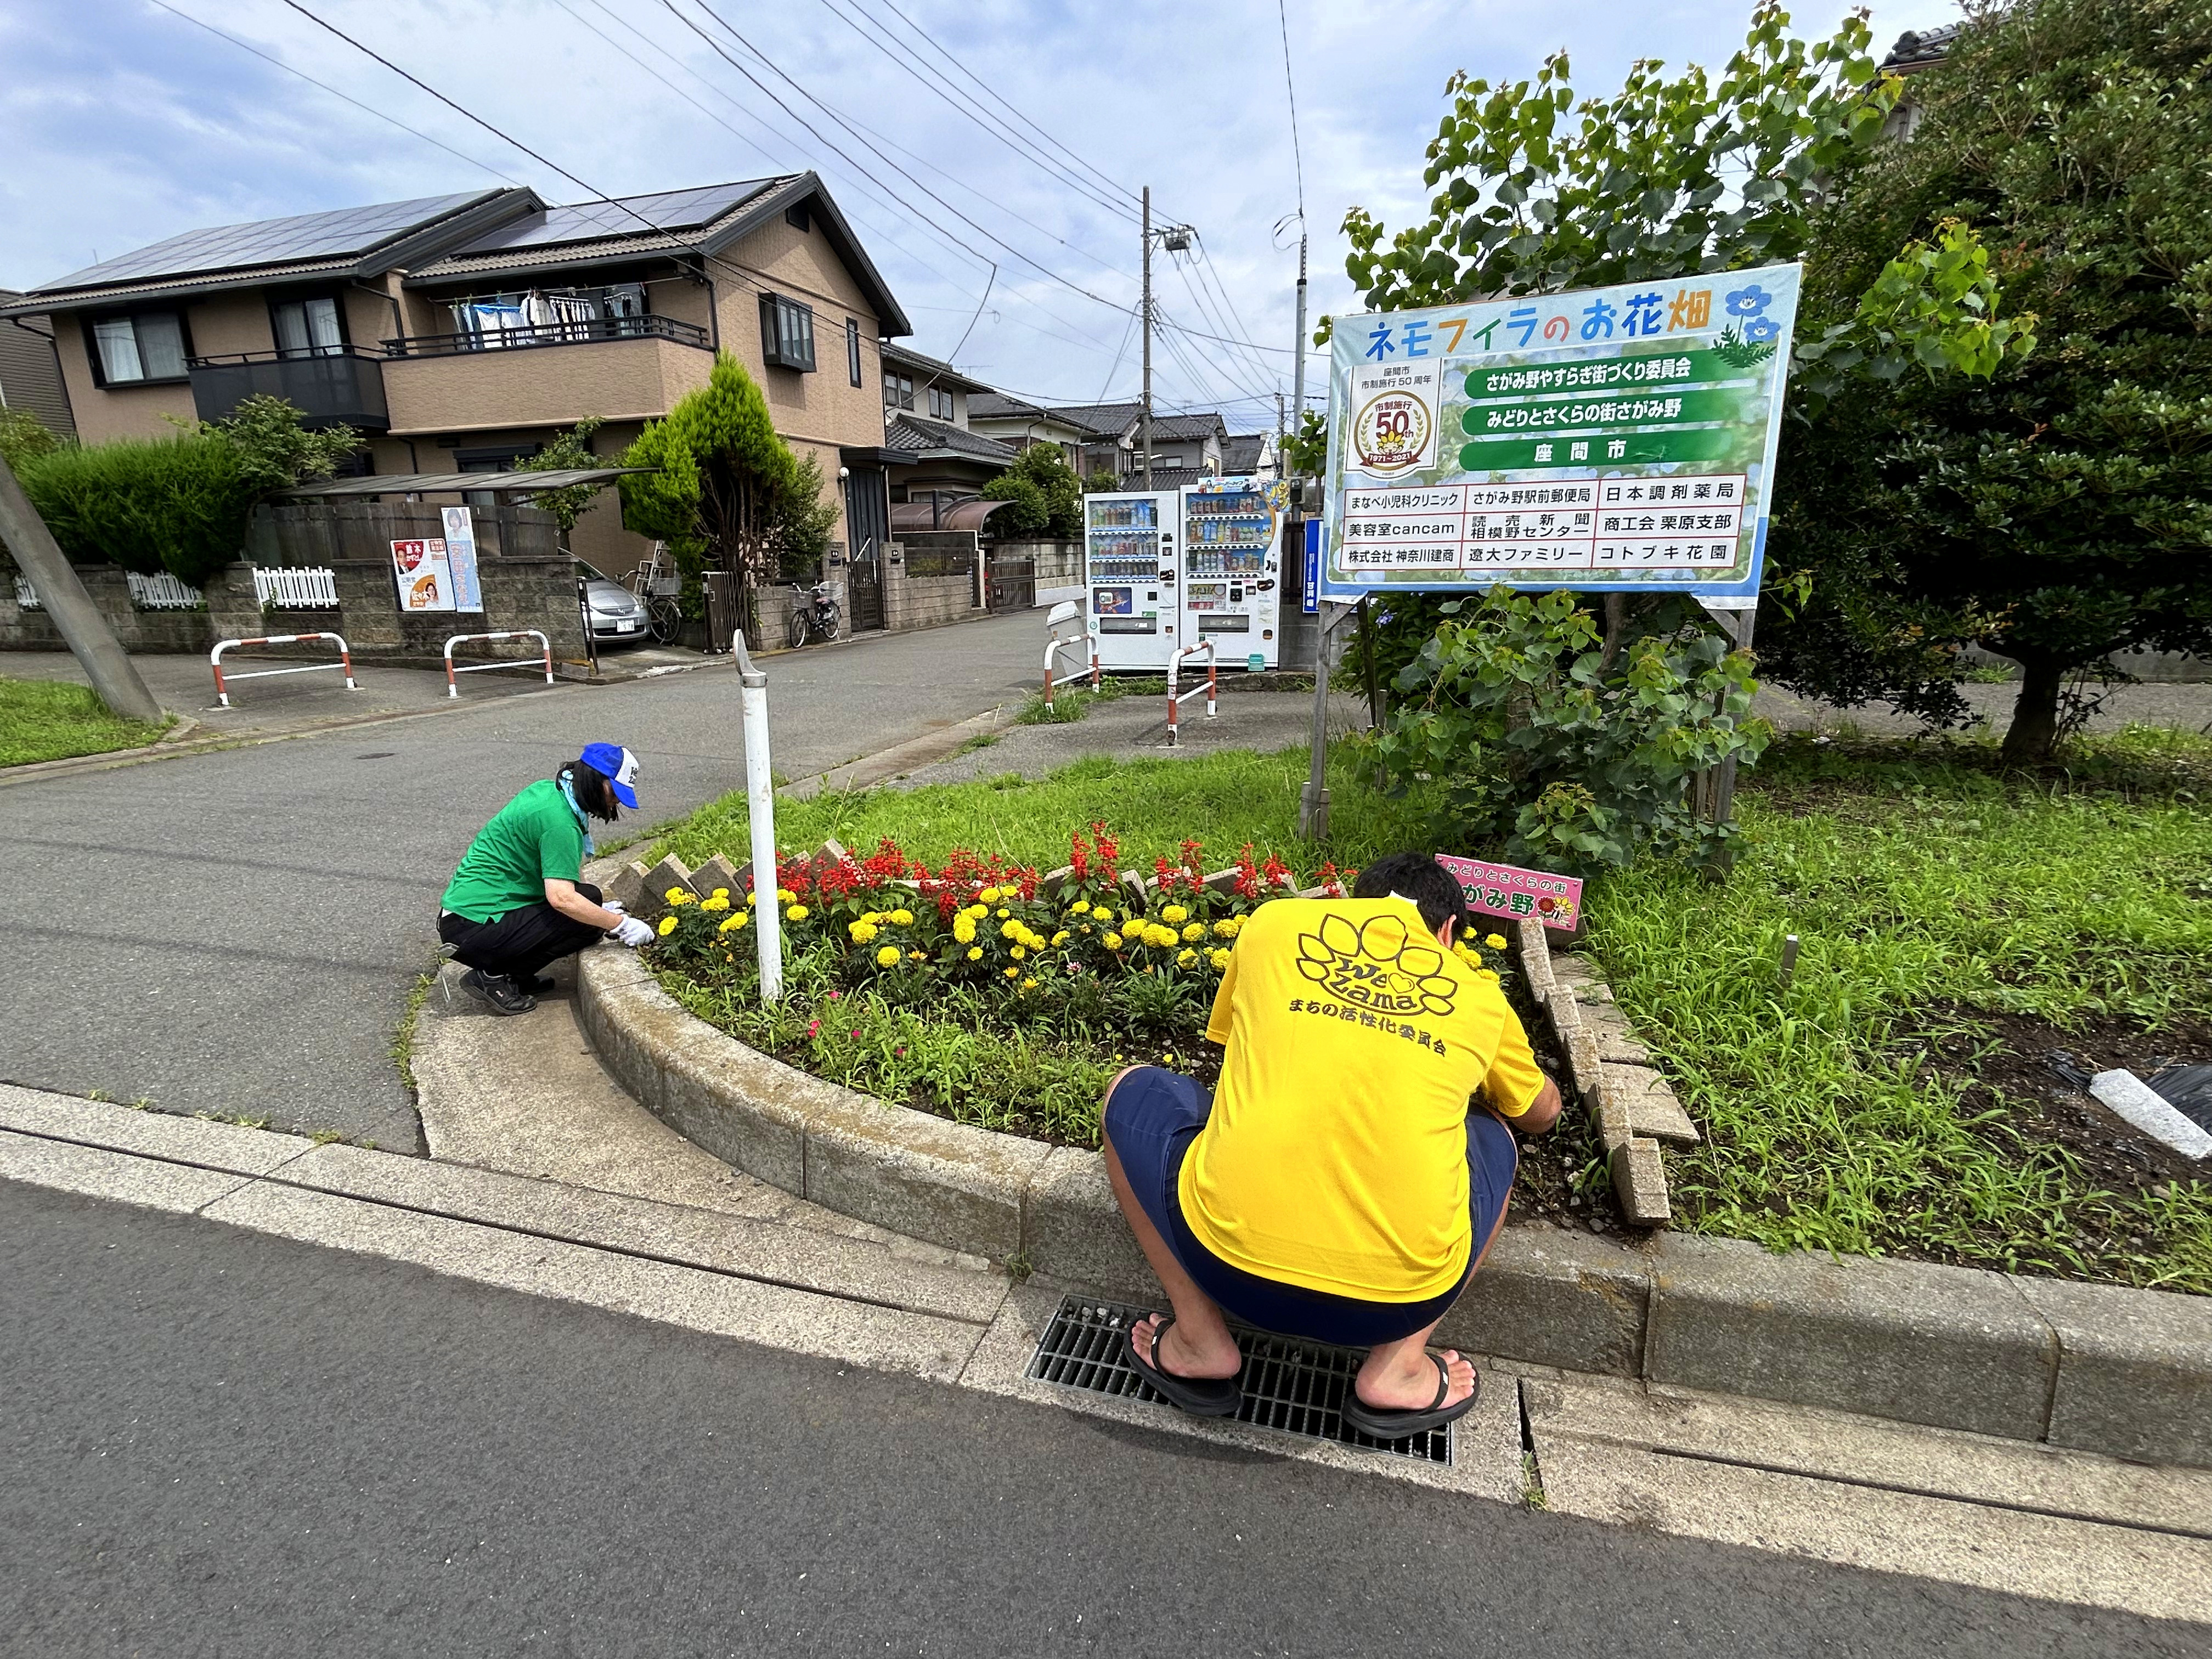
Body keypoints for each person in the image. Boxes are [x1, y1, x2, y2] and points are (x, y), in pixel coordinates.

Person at [1102, 851, 1562, 1438]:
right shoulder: (1479, 997)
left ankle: (1198, 1339)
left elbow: (1233, 1048)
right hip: (1397, 1302)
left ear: (1348, 902)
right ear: (1447, 933)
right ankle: (1396, 1368)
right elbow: (1538, 1115)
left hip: (1223, 1265)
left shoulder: (1273, 924)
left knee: (1129, 1091)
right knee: (1496, 1139)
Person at [437, 743, 657, 1015]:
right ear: (594, 779)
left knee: (590, 901)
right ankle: (492, 976)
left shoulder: (552, 792)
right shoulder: (560, 823)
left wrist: (597, 913)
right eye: (615, 793)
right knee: (584, 923)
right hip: (473, 926)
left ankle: (514, 974)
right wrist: (621, 924)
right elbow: (562, 899)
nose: (615, 802)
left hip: (471, 916)